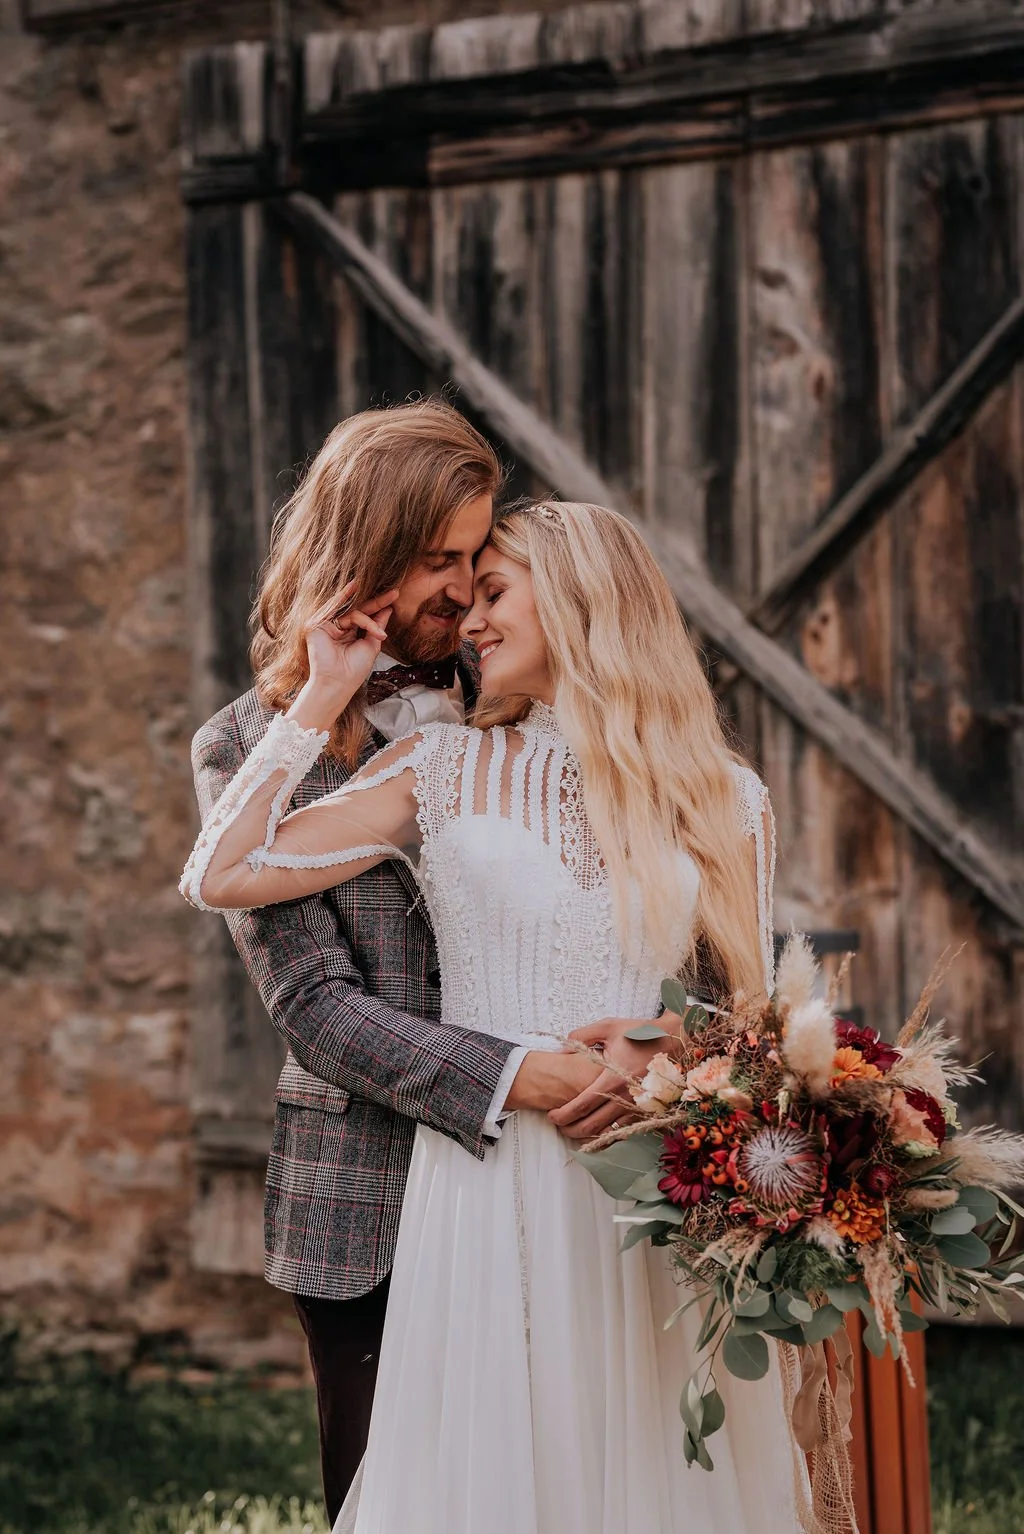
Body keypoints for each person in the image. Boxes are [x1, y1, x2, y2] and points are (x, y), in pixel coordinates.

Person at [182, 499, 801, 1534]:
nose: (468, 616)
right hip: (483, 1177)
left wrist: (662, 1046)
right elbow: (223, 873)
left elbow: (755, 1024)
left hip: (643, 1183)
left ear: (579, 598)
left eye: (496, 590)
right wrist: (319, 696)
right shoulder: (442, 770)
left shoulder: (724, 795)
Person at [189, 408, 641, 1522]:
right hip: (367, 1197)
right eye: (438, 559)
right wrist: (508, 1074)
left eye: (475, 558)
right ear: (366, 547)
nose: (463, 587)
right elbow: (315, 1009)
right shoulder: (245, 747)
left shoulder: (519, 700)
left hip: (565, 1175)